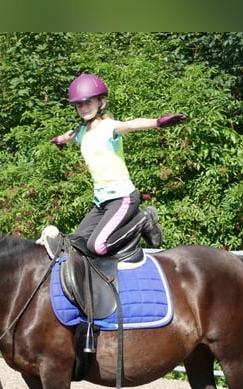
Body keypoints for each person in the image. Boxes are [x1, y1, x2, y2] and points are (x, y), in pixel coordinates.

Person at [48, 73, 187, 257]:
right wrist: (58, 140)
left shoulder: (109, 127)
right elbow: (69, 136)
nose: (83, 108)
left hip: (123, 197)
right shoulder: (81, 132)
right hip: (101, 201)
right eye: (79, 104)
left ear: (101, 102)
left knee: (98, 246)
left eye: (88, 102)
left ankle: (143, 219)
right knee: (77, 243)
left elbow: (132, 125)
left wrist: (158, 122)